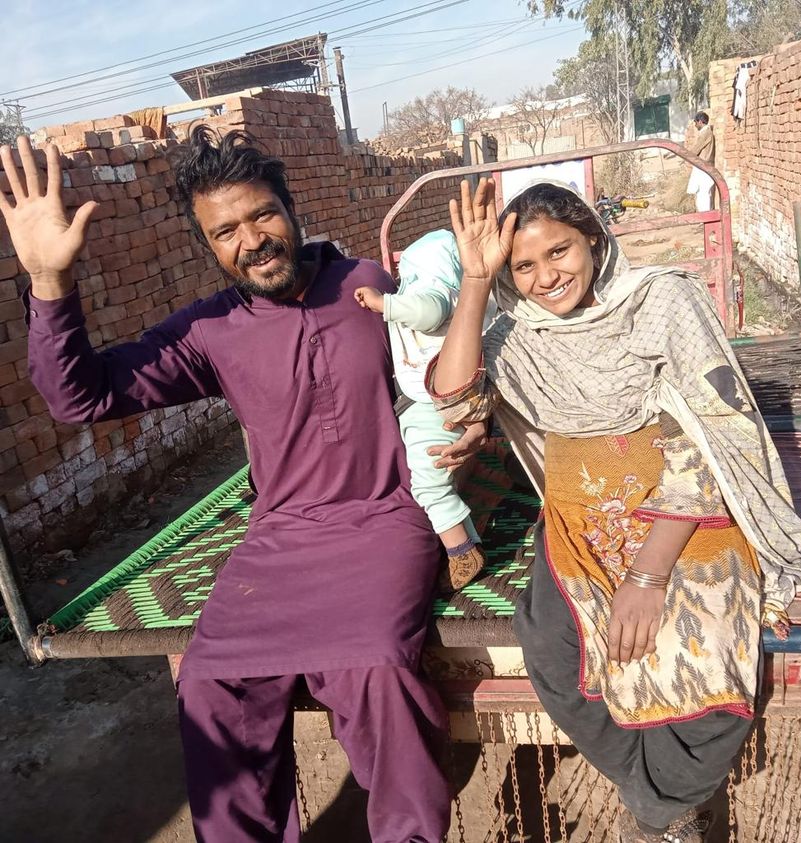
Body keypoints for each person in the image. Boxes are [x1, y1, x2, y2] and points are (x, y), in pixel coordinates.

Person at [0, 129, 487, 842]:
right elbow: (81, 397)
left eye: (262, 215)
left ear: (290, 209)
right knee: (210, 683)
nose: (251, 241)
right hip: (280, 535)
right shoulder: (211, 330)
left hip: (387, 516)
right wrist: (50, 283)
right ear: (208, 245)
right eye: (224, 231)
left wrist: (471, 421)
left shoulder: (370, 287)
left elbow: (451, 368)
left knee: (374, 666)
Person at [428, 177, 801, 843]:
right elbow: (453, 397)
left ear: (593, 239)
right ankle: (667, 805)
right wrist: (475, 281)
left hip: (688, 503)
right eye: (523, 266)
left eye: (559, 251)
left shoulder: (661, 301)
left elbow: (712, 430)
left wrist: (648, 574)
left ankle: (655, 813)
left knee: (706, 651)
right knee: (554, 653)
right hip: (578, 515)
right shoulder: (515, 334)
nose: (546, 277)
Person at [354, 229, 496, 592]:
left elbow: (427, 312)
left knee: (428, 483)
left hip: (437, 402)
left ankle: (460, 550)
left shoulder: (437, 294)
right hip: (431, 399)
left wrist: (383, 303)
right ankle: (468, 539)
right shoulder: (462, 295)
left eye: (410, 271)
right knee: (428, 473)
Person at [686, 111, 716, 213]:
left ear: (700, 121)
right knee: (701, 193)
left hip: (704, 166)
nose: (695, 125)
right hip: (703, 166)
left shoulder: (706, 133)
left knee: (704, 193)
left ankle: (706, 216)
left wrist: (685, 155)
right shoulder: (705, 132)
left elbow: (696, 149)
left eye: (695, 122)